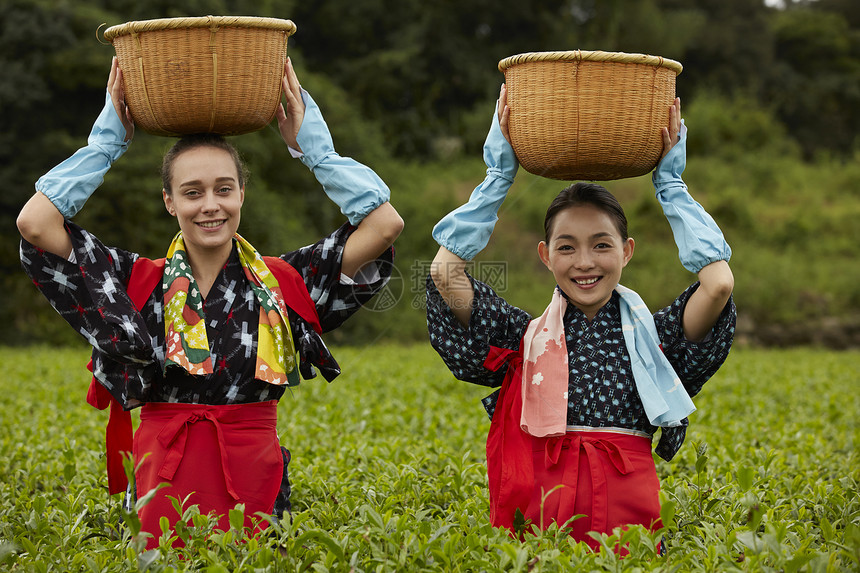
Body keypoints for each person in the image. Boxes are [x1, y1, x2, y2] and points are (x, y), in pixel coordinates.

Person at [17, 57, 403, 549]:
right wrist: (105, 145)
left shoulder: (284, 281)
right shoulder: (135, 281)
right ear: (169, 201)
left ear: (242, 193)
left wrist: (315, 153)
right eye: (192, 192)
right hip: (164, 477)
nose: (210, 206)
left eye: (224, 189)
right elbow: (35, 224)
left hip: (254, 480)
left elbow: (384, 225)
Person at [426, 86, 735, 549]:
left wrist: (672, 188)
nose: (585, 262)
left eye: (602, 245)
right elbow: (444, 271)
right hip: (541, 500)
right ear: (545, 256)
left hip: (628, 503)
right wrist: (498, 178)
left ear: (627, 252)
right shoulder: (522, 336)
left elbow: (719, 285)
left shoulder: (657, 338)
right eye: (567, 247)